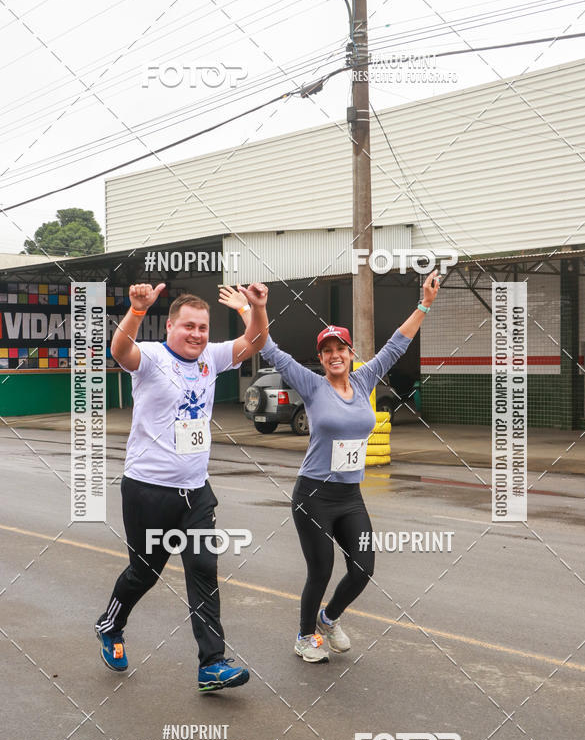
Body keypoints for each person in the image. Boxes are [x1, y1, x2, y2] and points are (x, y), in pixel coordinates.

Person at [257, 271, 440, 662]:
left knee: (363, 568)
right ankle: (305, 636)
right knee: (320, 570)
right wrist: (256, 310)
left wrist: (424, 303)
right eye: (328, 351)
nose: (335, 355)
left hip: (349, 495)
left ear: (350, 354)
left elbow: (397, 344)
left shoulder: (364, 379)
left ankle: (328, 618)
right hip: (313, 495)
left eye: (341, 349)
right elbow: (269, 349)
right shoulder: (311, 385)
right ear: (321, 358)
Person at [95, 281, 269, 691]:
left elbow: (256, 340)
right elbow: (120, 351)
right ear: (170, 326)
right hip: (147, 489)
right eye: (188, 326)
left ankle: (211, 664)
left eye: (203, 327)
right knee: (144, 573)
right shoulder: (152, 356)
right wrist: (136, 311)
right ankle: (110, 625)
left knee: (203, 569)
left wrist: (255, 308)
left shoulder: (212, 357)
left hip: (196, 492)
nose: (196, 334)